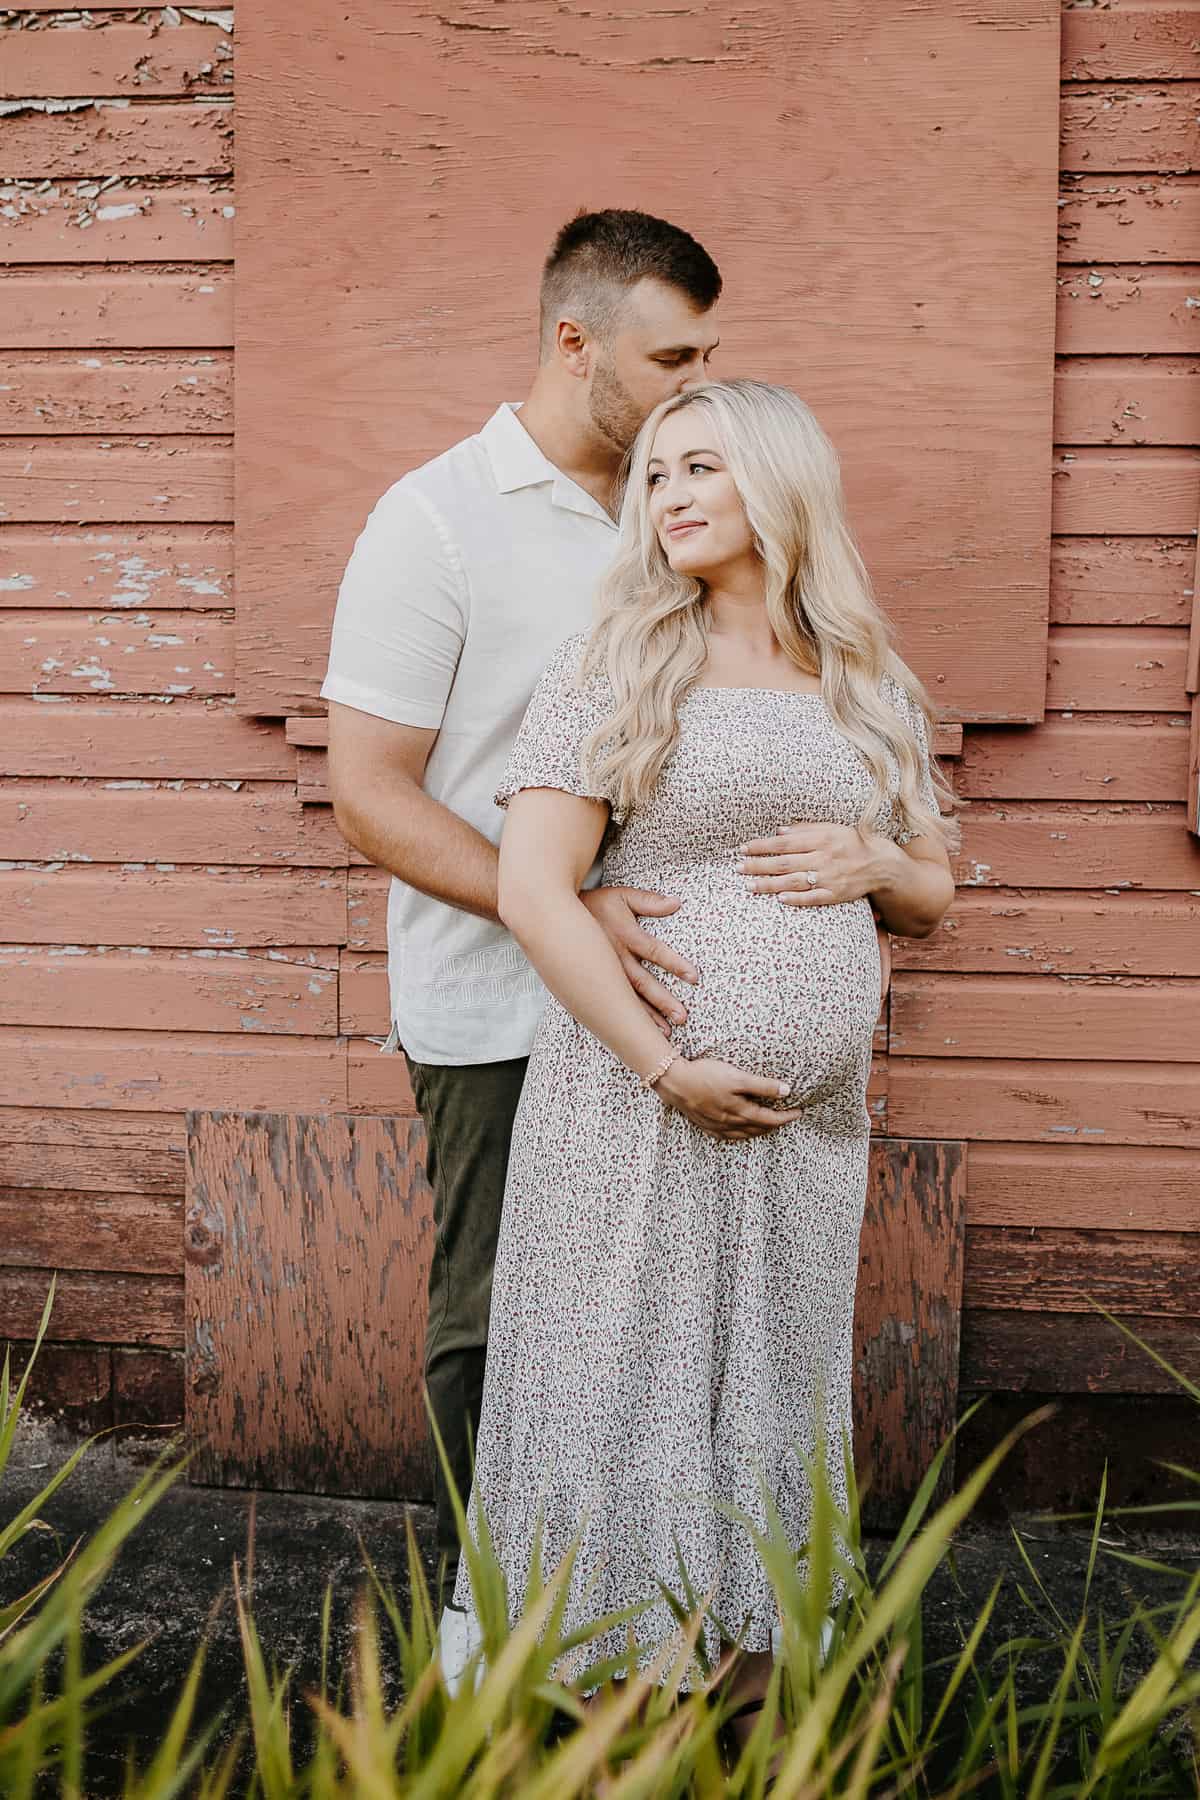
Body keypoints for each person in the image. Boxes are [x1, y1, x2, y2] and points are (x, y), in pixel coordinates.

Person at [452, 379, 957, 1714]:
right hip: (639, 1101)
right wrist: (663, 1064)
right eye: (656, 475)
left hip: (806, 1129)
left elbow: (935, 894)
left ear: (780, 487)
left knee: (765, 1379)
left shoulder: (864, 675)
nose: (668, 495)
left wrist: (874, 860)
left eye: (702, 469)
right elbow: (532, 890)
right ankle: (601, 1674)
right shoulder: (619, 662)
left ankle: (743, 1662)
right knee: (625, 1374)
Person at [320, 209, 725, 1675]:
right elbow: (369, 797)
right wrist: (557, 908)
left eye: (707, 357)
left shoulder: (681, 500)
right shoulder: (436, 519)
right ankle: (488, 1645)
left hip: (675, 999)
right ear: (575, 341)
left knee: (652, 1334)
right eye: (669, 355)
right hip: (499, 1004)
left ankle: (639, 1634)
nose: (695, 383)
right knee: (496, 1330)